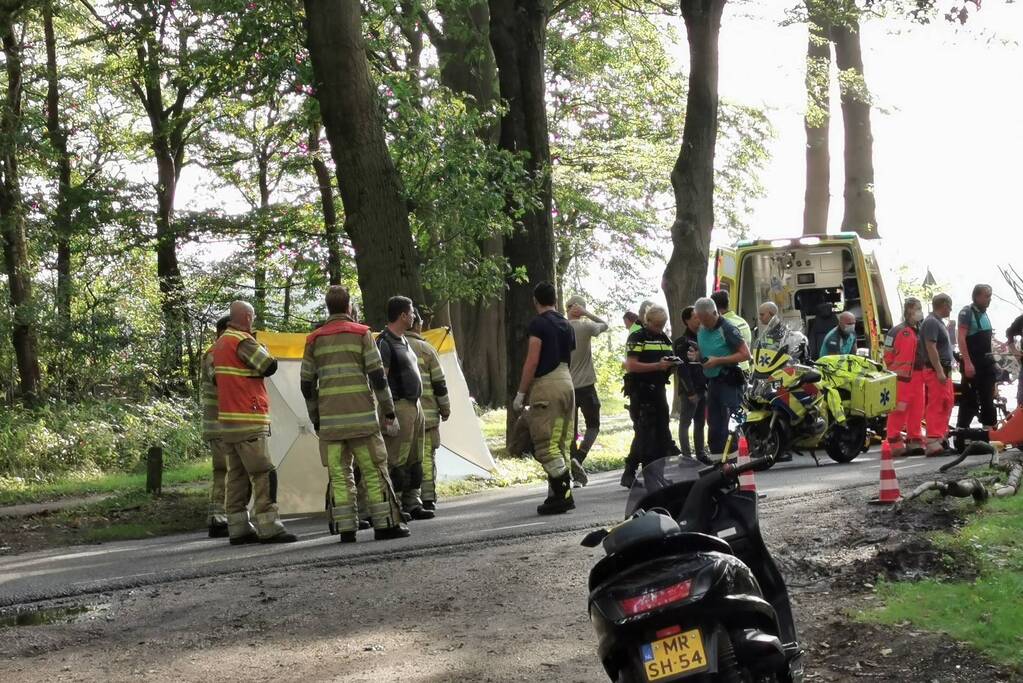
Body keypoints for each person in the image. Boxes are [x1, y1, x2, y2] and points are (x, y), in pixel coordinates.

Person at [300, 287, 408, 543]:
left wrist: (316, 417)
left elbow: (306, 384)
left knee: (339, 474)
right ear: (349, 307)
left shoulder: (313, 339)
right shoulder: (362, 334)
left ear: (328, 308)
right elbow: (378, 376)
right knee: (373, 470)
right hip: (362, 421)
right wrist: (389, 410)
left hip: (331, 424)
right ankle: (385, 524)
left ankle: (345, 527)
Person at [213, 301, 296, 544]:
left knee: (237, 475)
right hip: (248, 418)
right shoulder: (241, 340)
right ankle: (270, 526)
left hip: (229, 422)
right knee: (263, 472)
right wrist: (263, 345)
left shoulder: (220, 344)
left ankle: (238, 527)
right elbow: (269, 365)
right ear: (248, 317)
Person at [511, 281, 576, 515]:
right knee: (559, 442)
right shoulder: (565, 324)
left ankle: (563, 494)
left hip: (547, 385)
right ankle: (556, 495)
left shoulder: (538, 324)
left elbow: (532, 360)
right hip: (567, 382)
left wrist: (521, 393)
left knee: (545, 445)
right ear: (555, 300)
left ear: (535, 301)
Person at [377, 296, 433, 520]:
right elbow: (382, 379)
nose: (413, 317)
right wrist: (388, 413)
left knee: (415, 459)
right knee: (397, 461)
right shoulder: (385, 342)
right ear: (402, 315)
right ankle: (396, 505)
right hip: (399, 406)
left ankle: (413, 502)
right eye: (411, 313)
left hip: (415, 406)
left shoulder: (404, 340)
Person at [693, 297, 752, 458]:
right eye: (700, 319)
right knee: (714, 422)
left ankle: (739, 456)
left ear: (715, 312)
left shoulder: (727, 329)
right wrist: (698, 356)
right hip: (712, 382)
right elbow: (706, 349)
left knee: (732, 419)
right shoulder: (701, 328)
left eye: (706, 319)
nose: (704, 323)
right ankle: (718, 457)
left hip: (729, 380)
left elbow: (745, 354)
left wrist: (718, 361)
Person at [405, 310, 451, 511]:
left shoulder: (389, 345)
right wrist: (445, 408)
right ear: (416, 325)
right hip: (429, 415)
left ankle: (406, 499)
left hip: (404, 417)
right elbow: (439, 384)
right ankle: (428, 497)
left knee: (405, 458)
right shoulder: (427, 349)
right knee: (426, 457)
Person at [566, 295, 608, 486]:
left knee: (571, 431)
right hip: (587, 386)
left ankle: (575, 474)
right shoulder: (586, 326)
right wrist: (587, 314)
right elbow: (604, 325)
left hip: (567, 386)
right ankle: (579, 459)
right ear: (580, 310)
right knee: (593, 425)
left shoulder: (562, 328)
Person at [955, 284, 997, 449]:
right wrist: (967, 362)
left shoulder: (985, 314)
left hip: (987, 364)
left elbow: (987, 342)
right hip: (973, 364)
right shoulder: (967, 313)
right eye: (987, 296)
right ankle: (961, 433)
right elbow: (961, 338)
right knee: (969, 400)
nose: (990, 299)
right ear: (977, 296)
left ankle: (990, 433)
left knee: (988, 399)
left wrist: (995, 361)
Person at [883, 297, 925, 457]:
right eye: (918, 309)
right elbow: (887, 352)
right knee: (899, 410)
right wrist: (893, 370)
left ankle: (914, 441)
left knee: (916, 410)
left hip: (918, 376)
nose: (920, 312)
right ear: (909, 311)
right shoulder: (897, 331)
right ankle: (894, 442)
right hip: (902, 378)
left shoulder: (919, 330)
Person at [201, 315, 231, 538]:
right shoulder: (214, 353)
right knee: (225, 470)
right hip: (219, 423)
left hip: (222, 423)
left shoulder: (217, 352)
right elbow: (220, 379)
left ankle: (219, 516)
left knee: (224, 471)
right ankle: (218, 519)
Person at [919, 293, 956, 457]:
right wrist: (939, 370)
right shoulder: (932, 322)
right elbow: (931, 348)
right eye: (950, 305)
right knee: (936, 404)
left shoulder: (938, 322)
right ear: (944, 305)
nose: (951, 309)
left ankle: (941, 437)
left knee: (946, 402)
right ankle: (933, 440)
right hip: (936, 371)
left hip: (944, 370)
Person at [673, 306, 707, 463]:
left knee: (700, 422)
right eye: (695, 317)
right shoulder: (681, 343)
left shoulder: (704, 338)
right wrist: (690, 392)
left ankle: (701, 454)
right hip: (690, 390)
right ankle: (686, 455)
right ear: (687, 321)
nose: (698, 319)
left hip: (703, 387)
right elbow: (682, 369)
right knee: (685, 422)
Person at [712, 290, 753, 372]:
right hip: (745, 367)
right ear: (728, 304)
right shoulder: (742, 321)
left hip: (732, 369)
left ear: (714, 308)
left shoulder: (724, 325)